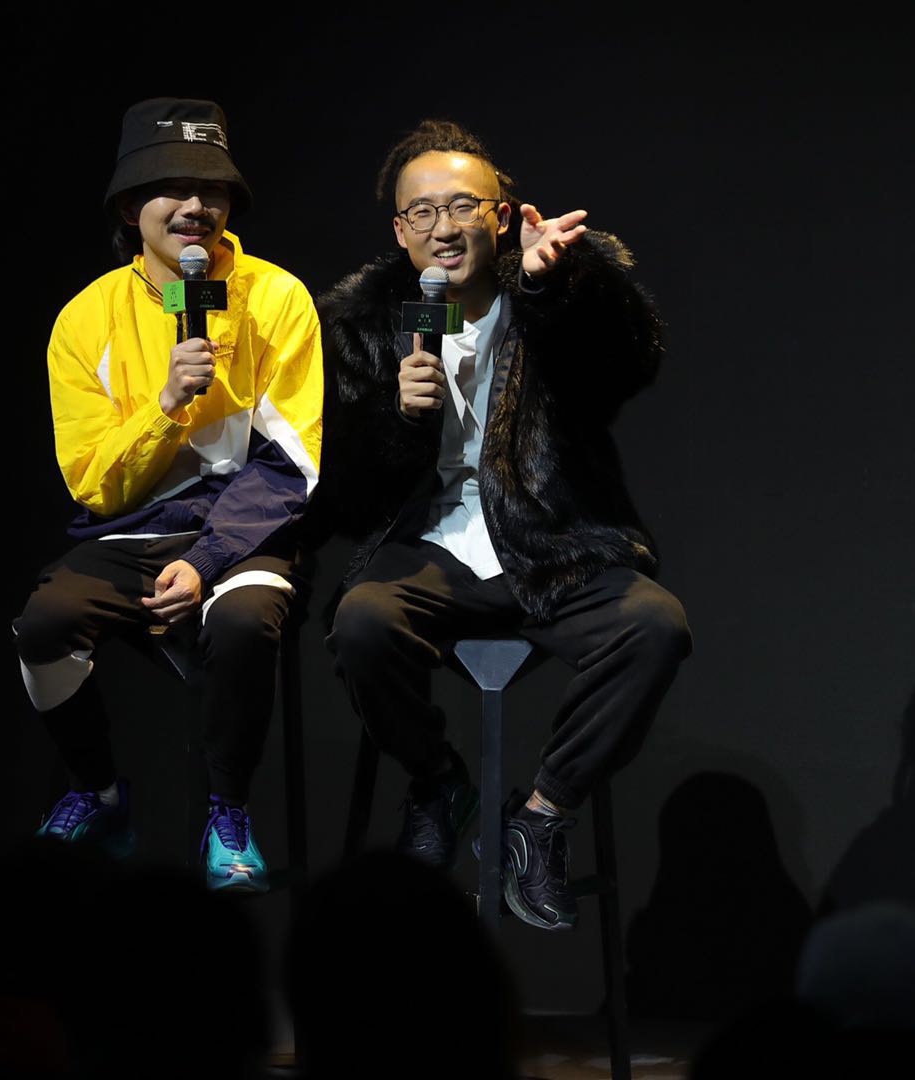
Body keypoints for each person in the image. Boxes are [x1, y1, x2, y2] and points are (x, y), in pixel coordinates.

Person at [320, 119, 690, 929]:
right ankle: (438, 784)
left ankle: (541, 817)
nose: (444, 228)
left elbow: (628, 364)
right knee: (362, 624)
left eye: (462, 206)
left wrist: (555, 287)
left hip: (550, 543)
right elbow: (341, 494)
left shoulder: (549, 295)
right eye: (422, 212)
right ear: (400, 231)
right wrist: (395, 420)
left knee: (654, 626)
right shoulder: (361, 323)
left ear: (499, 214)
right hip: (427, 550)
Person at [13, 98, 322, 893]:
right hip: (135, 528)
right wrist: (165, 405)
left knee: (246, 620)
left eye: (212, 189)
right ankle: (98, 792)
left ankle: (229, 815)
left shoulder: (276, 297)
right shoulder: (85, 319)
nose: (195, 206)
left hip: (245, 526)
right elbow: (92, 483)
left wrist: (210, 559)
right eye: (172, 188)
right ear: (129, 208)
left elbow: (291, 460)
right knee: (44, 621)